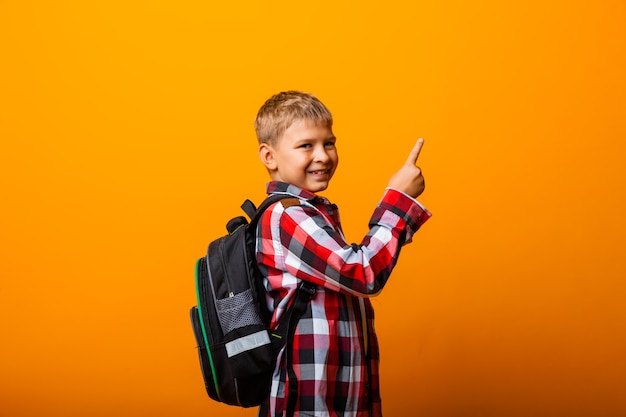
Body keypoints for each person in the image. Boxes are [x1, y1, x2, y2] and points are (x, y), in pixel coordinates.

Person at [254, 91, 431, 417]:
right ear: (269, 156)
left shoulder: (310, 213)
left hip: (336, 401)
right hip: (308, 406)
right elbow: (362, 272)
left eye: (329, 143)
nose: (322, 155)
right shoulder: (287, 216)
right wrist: (399, 200)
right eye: (306, 145)